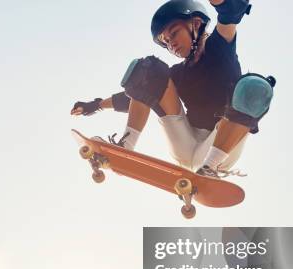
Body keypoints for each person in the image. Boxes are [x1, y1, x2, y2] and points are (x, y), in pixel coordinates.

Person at [70, 0, 275, 178]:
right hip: (185, 143)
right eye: (166, 42)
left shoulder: (220, 46)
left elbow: (231, 13)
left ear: (195, 24)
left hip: (220, 148)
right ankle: (126, 146)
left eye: (174, 33)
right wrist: (97, 105)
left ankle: (209, 169)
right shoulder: (178, 74)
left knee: (254, 87)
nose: (172, 44)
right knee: (148, 70)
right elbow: (136, 96)